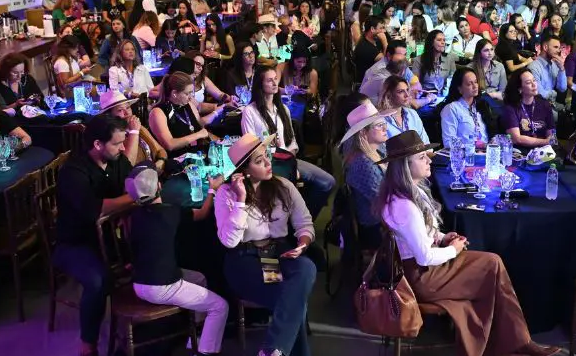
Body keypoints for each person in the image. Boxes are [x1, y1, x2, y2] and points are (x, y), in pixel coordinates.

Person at [375, 131, 559, 356]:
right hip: (421, 278)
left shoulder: (408, 194)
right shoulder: (404, 205)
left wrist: (442, 237)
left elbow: (418, 237)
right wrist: (453, 249)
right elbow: (424, 258)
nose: (429, 159)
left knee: (493, 267)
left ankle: (510, 343)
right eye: (422, 157)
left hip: (421, 269)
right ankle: (512, 343)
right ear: (405, 167)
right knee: (493, 266)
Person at [215, 134, 328, 356]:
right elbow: (228, 241)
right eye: (259, 161)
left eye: (266, 156)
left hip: (280, 253)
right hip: (246, 260)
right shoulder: (226, 194)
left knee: (306, 266)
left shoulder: (285, 186)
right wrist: (242, 200)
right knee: (293, 305)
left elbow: (305, 224)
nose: (268, 163)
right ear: (243, 171)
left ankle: (273, 351)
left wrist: (302, 244)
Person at [125, 164, 227, 356]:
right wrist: (213, 189)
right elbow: (201, 214)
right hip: (162, 286)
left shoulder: (135, 215)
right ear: (159, 187)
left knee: (199, 278)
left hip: (138, 282)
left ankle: (197, 337)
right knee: (221, 306)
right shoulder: (171, 211)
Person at [54, 115, 140, 356]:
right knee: (98, 280)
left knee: (153, 255)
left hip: (109, 240)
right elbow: (96, 209)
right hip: (75, 243)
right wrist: (137, 195)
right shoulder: (74, 172)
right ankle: (87, 349)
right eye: (116, 144)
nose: (123, 149)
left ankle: (152, 330)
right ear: (97, 144)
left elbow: (131, 179)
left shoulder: (115, 160)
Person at [242, 66, 335, 216]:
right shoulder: (250, 111)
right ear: (260, 84)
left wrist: (290, 162)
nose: (274, 83)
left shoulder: (283, 108)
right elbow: (250, 147)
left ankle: (304, 219)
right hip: (267, 163)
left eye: (275, 79)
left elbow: (292, 142)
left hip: (287, 159)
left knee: (328, 182)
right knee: (288, 191)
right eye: (269, 80)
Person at [339, 102, 394, 251]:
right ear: (363, 133)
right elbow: (383, 201)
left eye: (384, 123)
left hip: (384, 218)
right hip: (376, 228)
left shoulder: (379, 150)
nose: (385, 128)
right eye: (379, 125)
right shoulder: (363, 163)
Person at [149, 72, 224, 160]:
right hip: (178, 159)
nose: (190, 97)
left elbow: (200, 126)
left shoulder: (188, 104)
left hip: (198, 153)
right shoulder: (158, 112)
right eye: (187, 93)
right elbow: (170, 145)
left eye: (191, 93)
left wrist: (218, 112)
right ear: (174, 94)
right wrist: (198, 135)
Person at [100, 89, 166, 170]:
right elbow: (126, 166)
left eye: (128, 108)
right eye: (120, 110)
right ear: (109, 115)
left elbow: (160, 150)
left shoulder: (138, 127)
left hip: (155, 176)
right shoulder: (112, 138)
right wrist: (134, 132)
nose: (127, 113)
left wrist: (161, 161)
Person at [500, 69, 556, 149]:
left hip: (544, 151)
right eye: (528, 83)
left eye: (534, 80)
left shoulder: (544, 104)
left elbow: (551, 133)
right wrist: (545, 142)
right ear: (520, 89)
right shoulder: (511, 108)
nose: (534, 85)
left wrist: (549, 140)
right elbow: (517, 139)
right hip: (520, 152)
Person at [440, 67, 490, 148]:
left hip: (485, 152)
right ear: (459, 89)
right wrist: (474, 146)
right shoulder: (451, 108)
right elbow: (448, 143)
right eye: (469, 84)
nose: (475, 86)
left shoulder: (481, 105)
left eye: (476, 82)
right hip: (465, 156)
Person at [378, 75, 430, 144]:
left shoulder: (412, 114)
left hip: (420, 154)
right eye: (400, 91)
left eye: (407, 90)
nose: (407, 95)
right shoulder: (380, 120)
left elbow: (425, 143)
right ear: (389, 95)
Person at [360, 40, 413, 106]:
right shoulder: (379, 73)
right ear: (389, 55)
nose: (404, 58)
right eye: (400, 54)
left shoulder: (399, 64)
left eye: (405, 54)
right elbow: (400, 101)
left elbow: (414, 81)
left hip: (386, 106)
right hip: (374, 110)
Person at [411, 29, 455, 100]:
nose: (443, 42)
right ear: (431, 42)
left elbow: (452, 80)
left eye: (444, 40)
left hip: (442, 96)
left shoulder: (449, 59)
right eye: (439, 40)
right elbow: (414, 85)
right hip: (424, 97)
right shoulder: (419, 60)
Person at [528, 33, 568, 102]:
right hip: (538, 107)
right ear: (545, 47)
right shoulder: (533, 67)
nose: (559, 51)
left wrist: (562, 69)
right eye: (555, 47)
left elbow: (562, 88)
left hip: (551, 106)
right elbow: (540, 94)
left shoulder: (554, 65)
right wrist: (554, 94)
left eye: (559, 48)